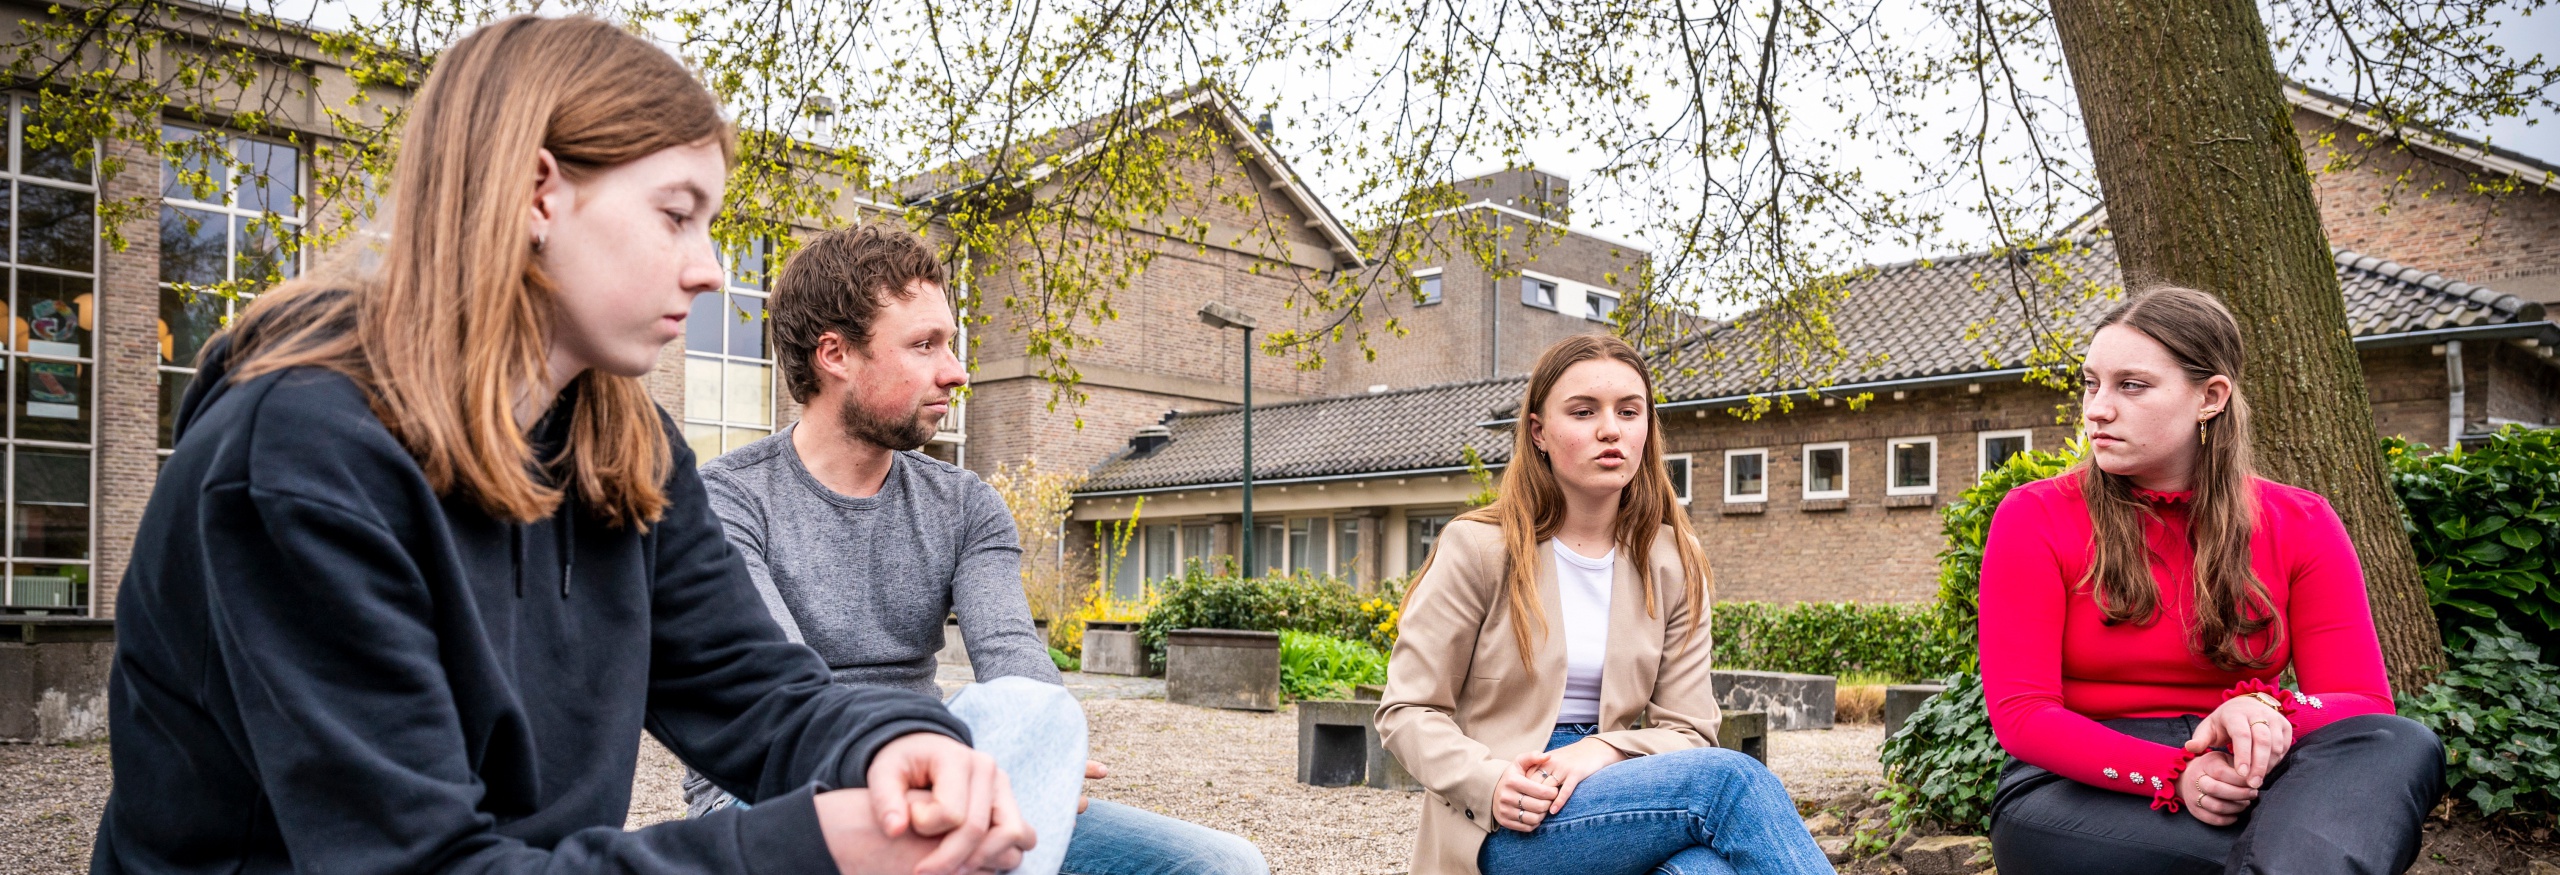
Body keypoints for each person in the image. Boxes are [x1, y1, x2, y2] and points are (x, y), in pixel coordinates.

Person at [92, 16, 1063, 875]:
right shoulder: (301, 460)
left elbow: (754, 688)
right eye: (675, 214)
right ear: (537, 192)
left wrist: (888, 744)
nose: (710, 271)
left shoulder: (620, 441)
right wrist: (812, 845)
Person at [674, 223, 1270, 875]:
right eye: (925, 344)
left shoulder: (964, 504)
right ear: (835, 354)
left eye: (950, 344)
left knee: (1221, 862)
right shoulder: (727, 500)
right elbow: (783, 689)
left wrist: (1038, 745)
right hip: (763, 788)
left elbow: (1015, 658)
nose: (955, 373)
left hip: (938, 776)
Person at [1978, 286, 2446, 873]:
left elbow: (2363, 702)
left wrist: (2256, 710)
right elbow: (2024, 715)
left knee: (2401, 742)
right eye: (2091, 383)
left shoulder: (2300, 522)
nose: (2096, 408)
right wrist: (2176, 772)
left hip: (2256, 770)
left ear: (2211, 397)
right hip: (2080, 785)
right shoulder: (2036, 515)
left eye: (2131, 385)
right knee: (2323, 848)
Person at [1376, 334, 1834, 875]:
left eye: (1629, 411)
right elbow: (1408, 710)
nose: (1610, 429)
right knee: (1732, 782)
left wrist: (1605, 751)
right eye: (1584, 411)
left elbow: (1689, 732)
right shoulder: (1479, 548)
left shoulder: (1673, 560)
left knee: (1701, 871)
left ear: (1647, 430)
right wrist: (1490, 781)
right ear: (1539, 432)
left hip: (1622, 787)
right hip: (1506, 816)